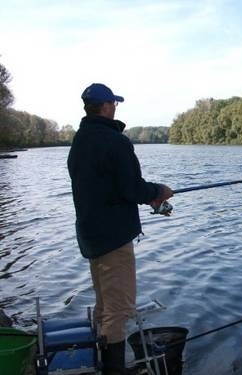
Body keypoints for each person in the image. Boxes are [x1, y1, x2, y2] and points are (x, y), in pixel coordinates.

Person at [67, 83, 172, 374]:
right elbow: (131, 188)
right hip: (113, 240)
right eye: (114, 103)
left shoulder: (80, 141)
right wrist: (159, 190)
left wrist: (149, 195)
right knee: (119, 309)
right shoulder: (115, 141)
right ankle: (113, 370)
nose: (115, 107)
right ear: (105, 106)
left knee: (104, 306)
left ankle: (102, 364)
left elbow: (108, 187)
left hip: (91, 237)